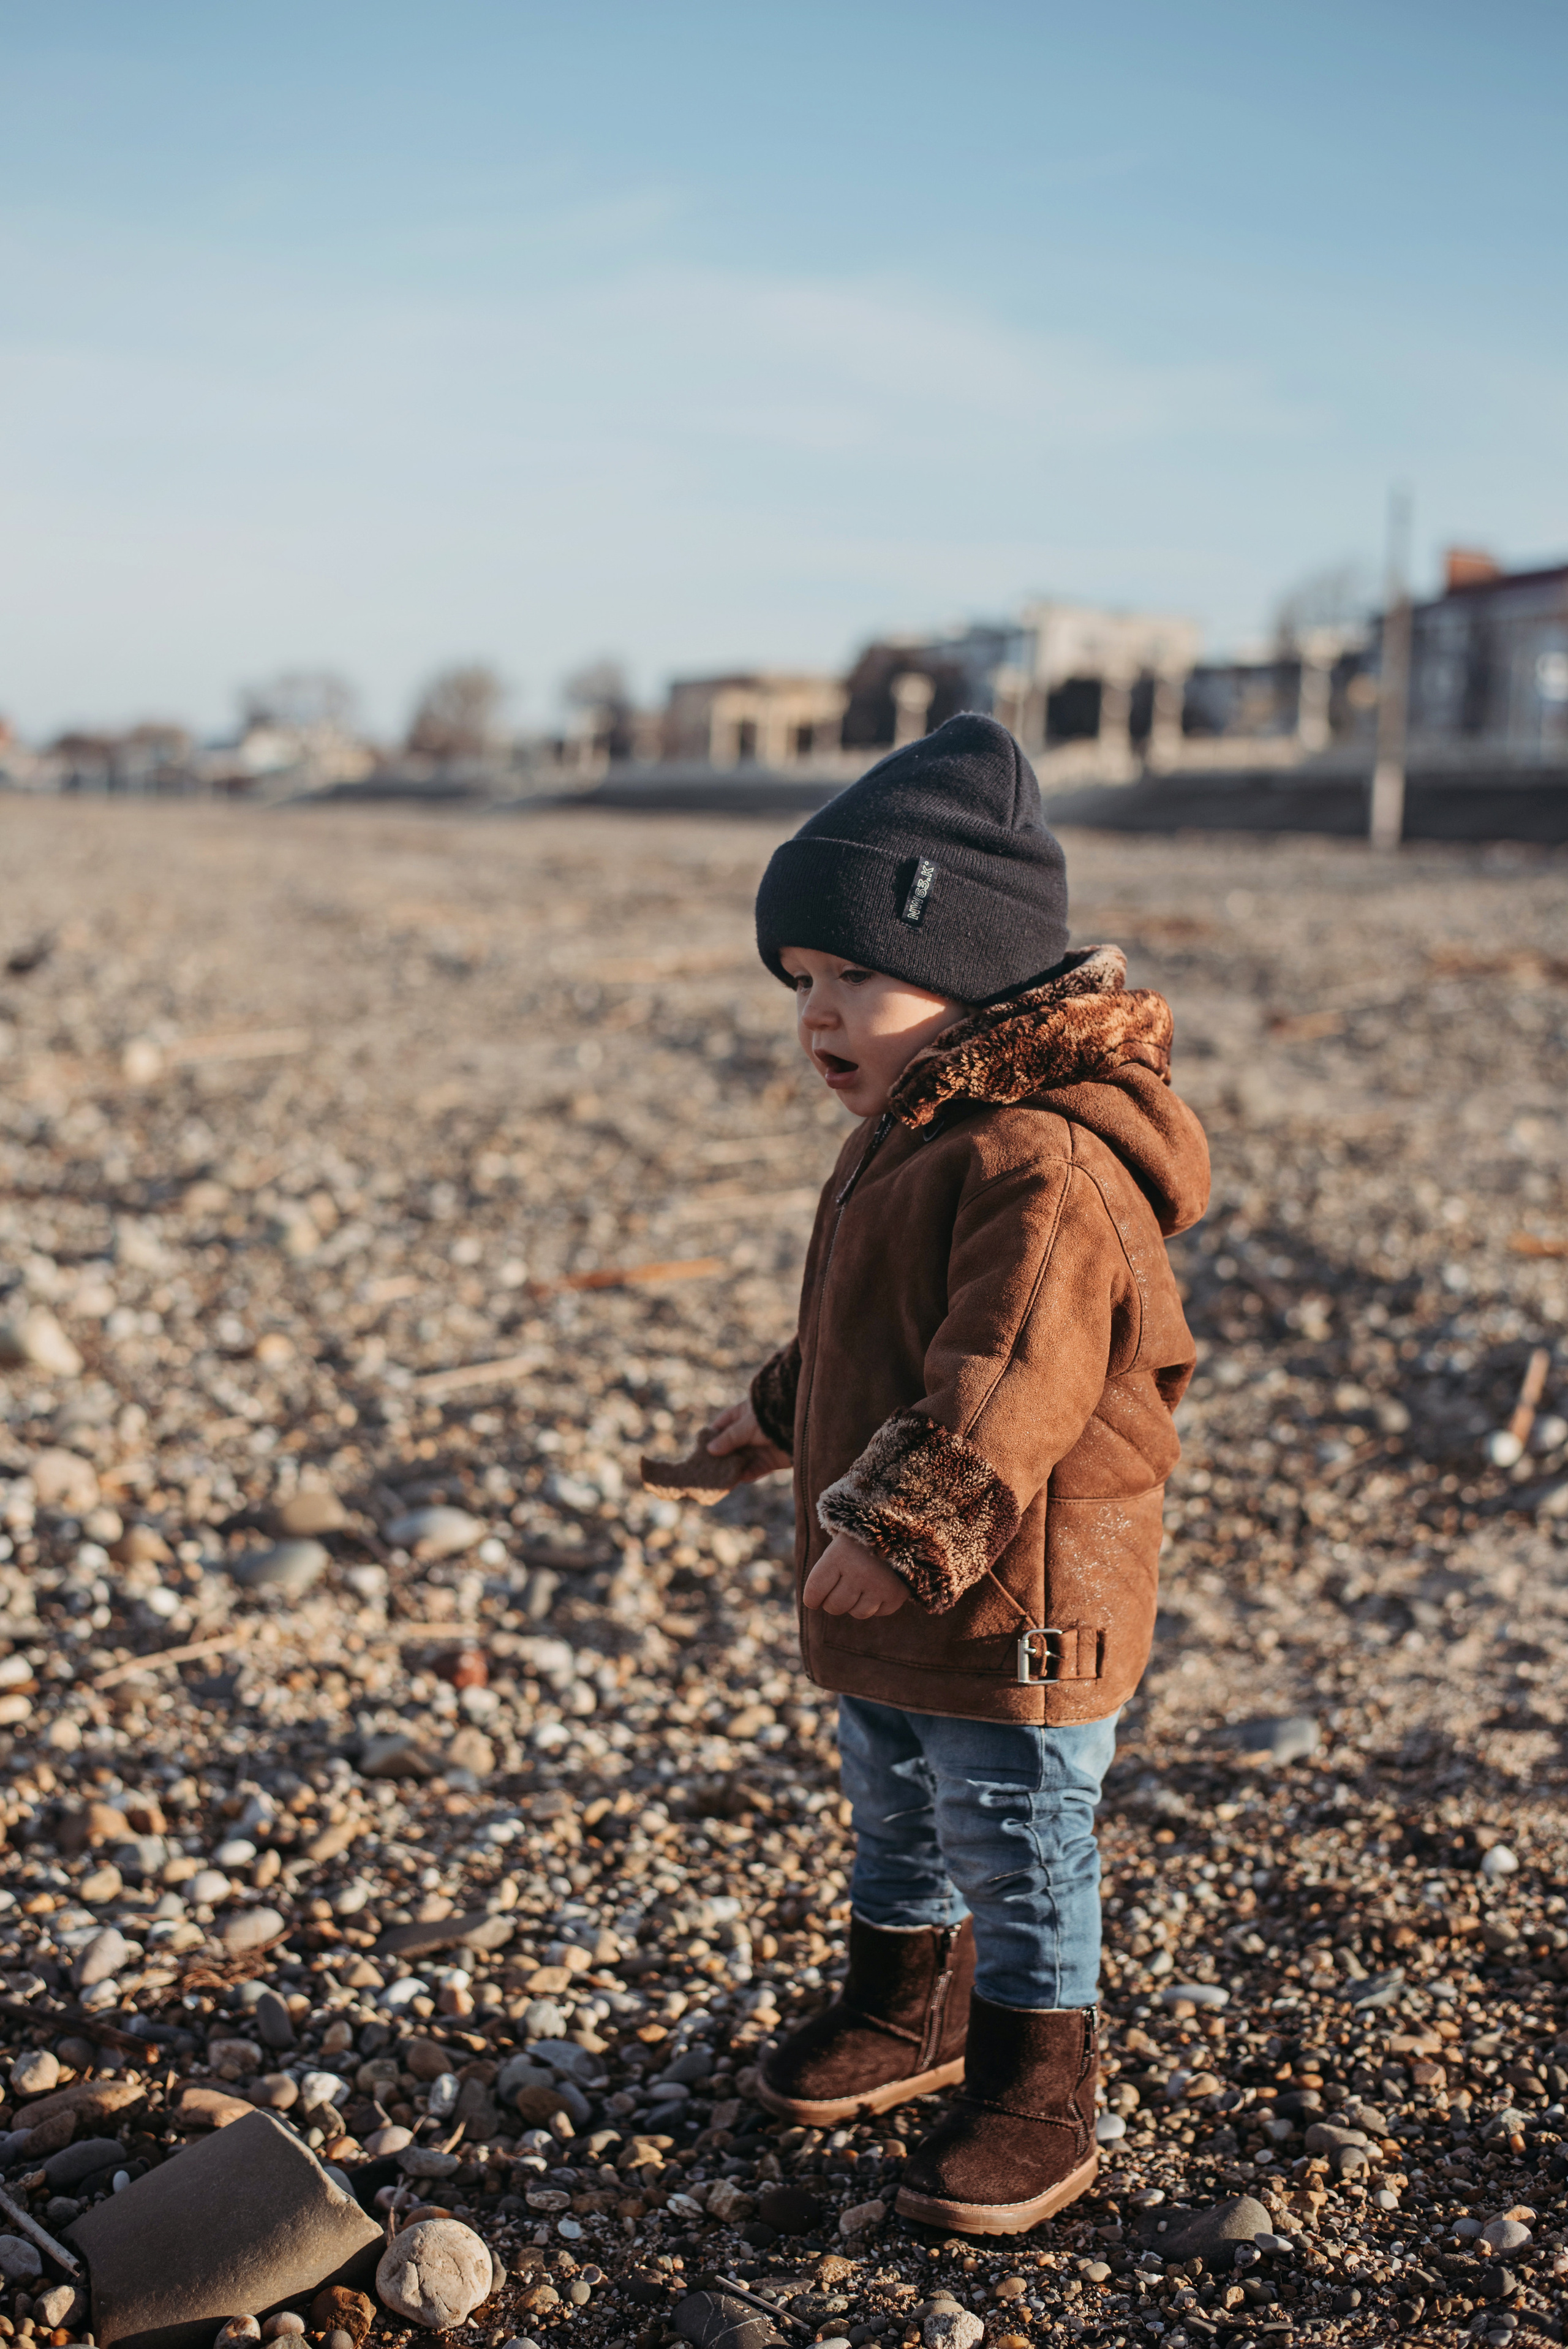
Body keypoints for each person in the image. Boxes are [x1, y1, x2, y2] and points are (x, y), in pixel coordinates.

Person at [689, 712, 1210, 2236]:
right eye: (803, 982)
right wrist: (776, 1415)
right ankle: (904, 2008)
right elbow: (872, 1330)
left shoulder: (1037, 1162)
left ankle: (1035, 2089)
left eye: (856, 974)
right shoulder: (915, 1128)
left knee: (1017, 1824)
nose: (818, 1013)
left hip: (1016, 1583)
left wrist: (903, 1525)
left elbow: (1002, 1387)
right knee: (892, 1793)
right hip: (910, 1571)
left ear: (973, 971)